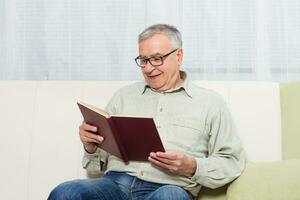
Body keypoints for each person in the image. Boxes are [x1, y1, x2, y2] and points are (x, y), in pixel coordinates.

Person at [48, 24, 245, 200]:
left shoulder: (210, 102)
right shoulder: (124, 96)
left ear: (179, 56)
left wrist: (193, 167)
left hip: (169, 187)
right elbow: (94, 166)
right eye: (143, 60)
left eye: (157, 59)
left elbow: (232, 162)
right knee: (66, 192)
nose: (149, 68)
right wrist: (90, 147)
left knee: (170, 197)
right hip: (115, 184)